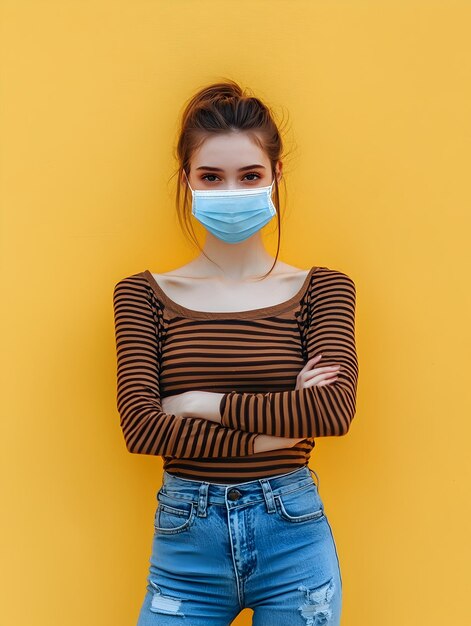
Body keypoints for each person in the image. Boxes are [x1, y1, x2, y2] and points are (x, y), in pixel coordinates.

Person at [112, 79, 359, 626]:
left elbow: (333, 410)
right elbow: (142, 429)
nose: (231, 191)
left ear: (275, 178)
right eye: (211, 177)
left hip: (293, 539)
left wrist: (199, 399)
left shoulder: (323, 289)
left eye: (249, 175)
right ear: (188, 181)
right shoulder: (141, 295)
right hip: (185, 546)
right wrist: (280, 429)